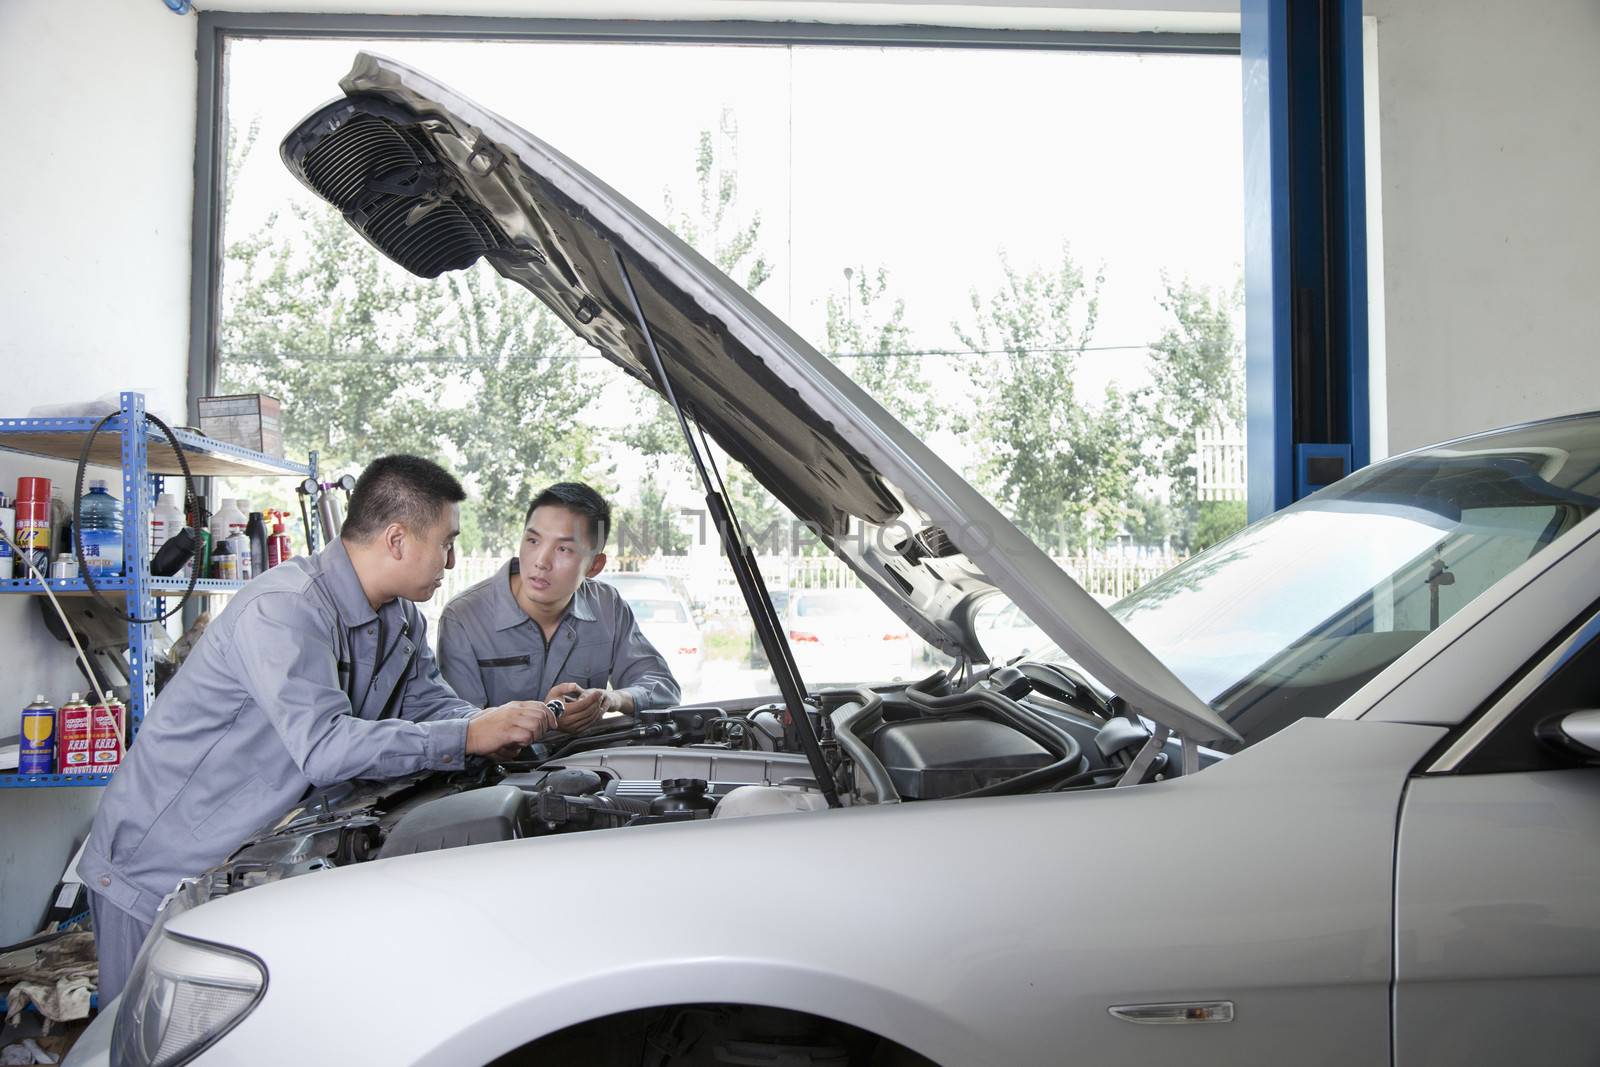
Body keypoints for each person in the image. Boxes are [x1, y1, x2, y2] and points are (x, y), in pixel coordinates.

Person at [79, 455, 559, 1002]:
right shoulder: (284, 611)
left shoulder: (398, 618)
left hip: (238, 861)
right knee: (147, 1036)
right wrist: (469, 736)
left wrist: (515, 720)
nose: (451, 560)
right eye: (446, 543)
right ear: (398, 540)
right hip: (156, 867)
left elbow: (430, 704)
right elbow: (326, 748)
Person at [437, 482, 679, 733]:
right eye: (533, 540)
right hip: (499, 771)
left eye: (563, 549)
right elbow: (462, 730)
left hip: (587, 765)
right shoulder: (464, 617)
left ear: (595, 565)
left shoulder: (608, 606)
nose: (541, 561)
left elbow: (663, 688)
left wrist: (611, 699)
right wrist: (547, 717)